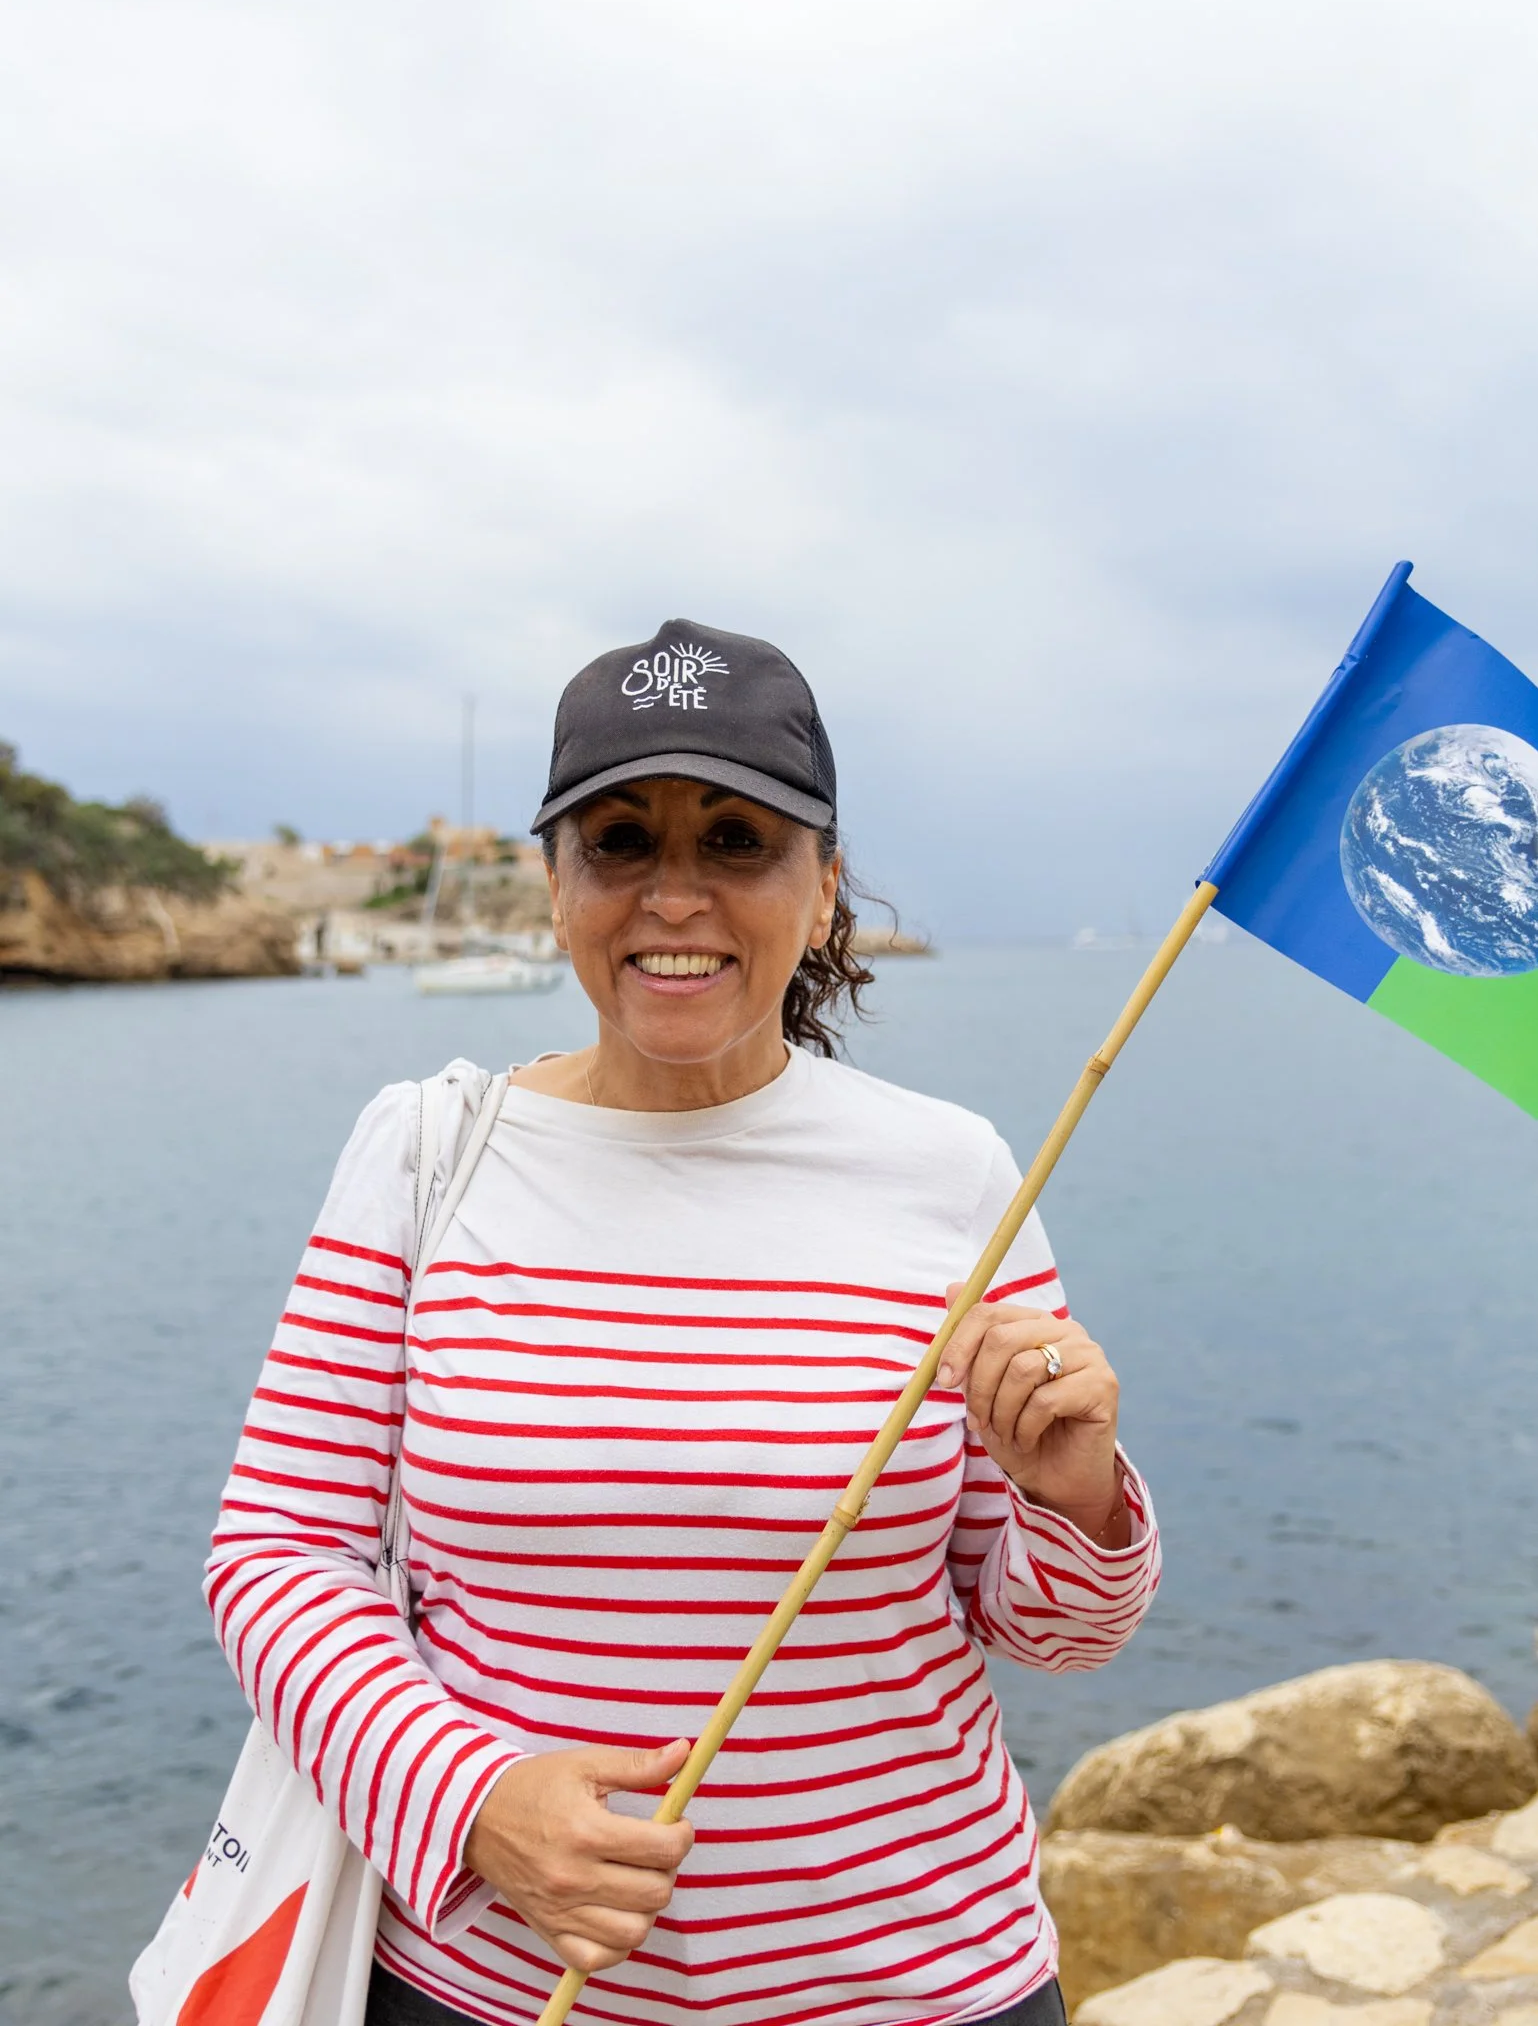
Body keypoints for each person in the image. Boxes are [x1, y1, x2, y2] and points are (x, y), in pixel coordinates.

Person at [206, 619, 1161, 2026]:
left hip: (920, 1988)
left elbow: (1054, 1632)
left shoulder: (950, 1173)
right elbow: (278, 1554)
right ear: (553, 883)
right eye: (619, 841)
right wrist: (474, 1803)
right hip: (496, 1994)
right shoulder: (424, 1153)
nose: (674, 896)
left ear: (824, 884)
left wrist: (1075, 1498)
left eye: (734, 842)